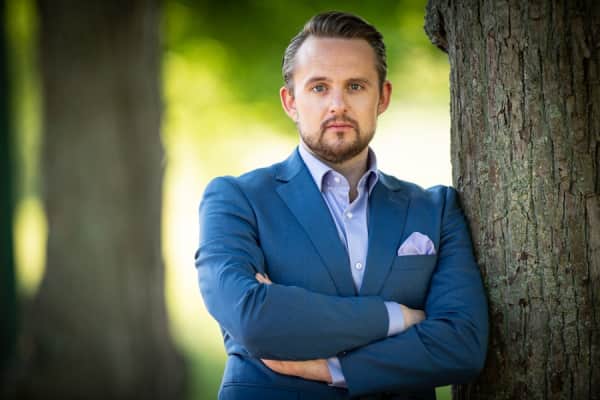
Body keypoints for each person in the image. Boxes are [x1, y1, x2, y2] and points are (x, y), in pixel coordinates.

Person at [195, 11, 488, 400]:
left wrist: (333, 368)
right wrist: (400, 317)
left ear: (382, 97)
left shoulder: (435, 209)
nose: (338, 105)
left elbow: (463, 344)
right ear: (290, 101)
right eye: (319, 87)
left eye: (355, 86)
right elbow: (254, 320)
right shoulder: (236, 200)